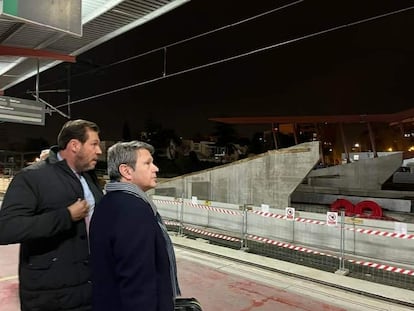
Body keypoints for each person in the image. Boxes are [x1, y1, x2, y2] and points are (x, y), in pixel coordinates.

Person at [0, 119, 104, 311]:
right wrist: (66, 216)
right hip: (50, 297)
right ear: (74, 145)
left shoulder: (89, 176)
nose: (99, 151)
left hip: (90, 290)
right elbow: (7, 228)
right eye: (94, 144)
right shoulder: (32, 177)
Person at [89, 140, 181, 311]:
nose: (156, 168)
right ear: (126, 171)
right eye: (147, 163)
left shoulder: (110, 201)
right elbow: (137, 281)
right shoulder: (132, 210)